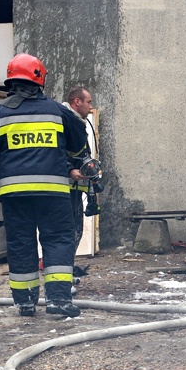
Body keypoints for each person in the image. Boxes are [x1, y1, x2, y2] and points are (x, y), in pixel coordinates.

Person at [0, 53, 87, 317]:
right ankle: (58, 301)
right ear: (40, 79)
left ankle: (25, 302)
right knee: (57, 240)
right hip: (53, 193)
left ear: (10, 81)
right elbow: (79, 140)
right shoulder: (57, 110)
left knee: (21, 242)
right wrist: (71, 159)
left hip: (14, 194)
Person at [62, 86, 99, 271]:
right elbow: (57, 151)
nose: (91, 107)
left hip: (75, 188)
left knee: (74, 229)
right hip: (65, 188)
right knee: (68, 231)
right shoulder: (66, 121)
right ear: (77, 102)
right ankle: (62, 269)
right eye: (89, 102)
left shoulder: (76, 121)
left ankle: (67, 266)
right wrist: (70, 170)